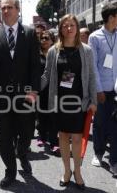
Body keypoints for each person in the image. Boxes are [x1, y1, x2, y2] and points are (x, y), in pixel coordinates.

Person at [0, 0, 40, 188]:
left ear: (18, 10)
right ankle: (10, 170)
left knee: (26, 133)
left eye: (9, 7)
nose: (5, 11)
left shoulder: (30, 34)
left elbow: (35, 66)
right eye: (3, 8)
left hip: (25, 96)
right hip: (1, 96)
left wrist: (34, 90)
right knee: (4, 136)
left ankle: (22, 153)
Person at [41, 14, 97, 190]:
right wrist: (33, 89)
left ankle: (78, 171)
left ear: (76, 27)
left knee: (78, 138)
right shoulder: (53, 51)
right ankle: (67, 171)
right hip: (59, 102)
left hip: (79, 101)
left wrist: (93, 100)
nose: (69, 28)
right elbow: (46, 75)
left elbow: (92, 76)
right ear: (60, 29)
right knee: (63, 136)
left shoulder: (86, 50)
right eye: (65, 26)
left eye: (72, 25)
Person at [88, 3, 117, 177]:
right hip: (101, 90)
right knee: (99, 123)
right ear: (112, 17)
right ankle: (98, 153)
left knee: (115, 126)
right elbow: (93, 67)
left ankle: (114, 161)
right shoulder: (95, 37)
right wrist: (98, 90)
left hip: (116, 89)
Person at [36, 30, 59, 154]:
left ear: (52, 40)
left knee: (53, 116)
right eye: (42, 38)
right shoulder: (36, 54)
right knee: (41, 115)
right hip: (40, 90)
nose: (44, 40)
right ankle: (42, 137)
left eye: (46, 38)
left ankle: (54, 142)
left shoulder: (58, 53)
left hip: (54, 90)